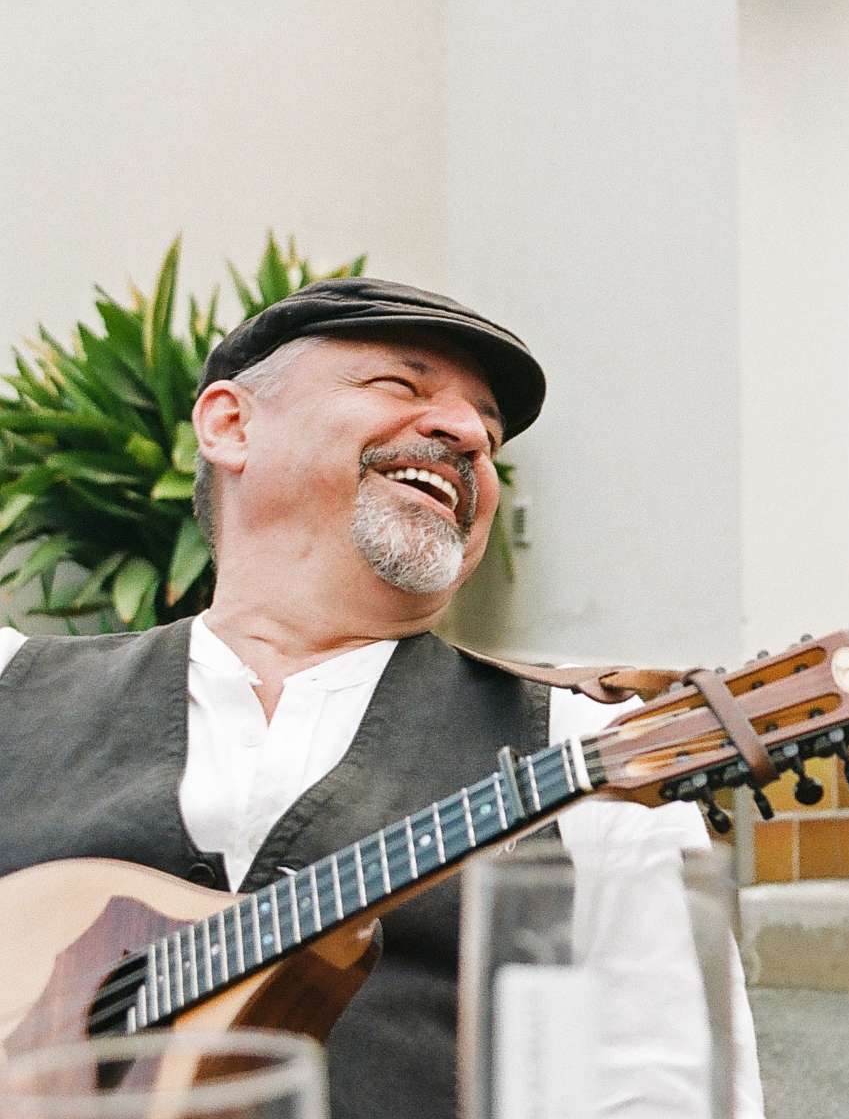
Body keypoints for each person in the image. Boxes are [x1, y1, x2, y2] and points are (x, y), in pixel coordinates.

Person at [0, 277, 763, 1117]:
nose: (467, 435)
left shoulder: (588, 749)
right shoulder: (11, 685)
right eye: (400, 385)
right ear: (230, 425)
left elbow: (670, 1096)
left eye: (488, 434)